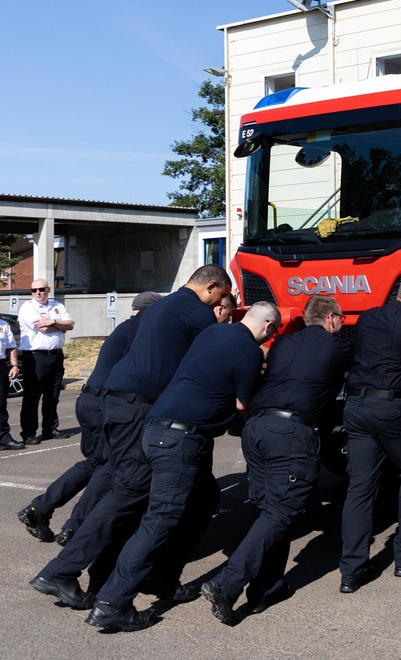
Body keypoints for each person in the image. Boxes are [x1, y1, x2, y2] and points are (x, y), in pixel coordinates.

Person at [30, 265, 231, 612]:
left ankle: (157, 576)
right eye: (223, 296)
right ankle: (63, 571)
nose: (222, 303)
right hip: (136, 407)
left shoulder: (164, 307)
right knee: (128, 492)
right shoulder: (193, 309)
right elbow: (218, 346)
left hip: (121, 402)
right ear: (211, 287)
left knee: (198, 495)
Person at [84, 301, 278, 632]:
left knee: (204, 499)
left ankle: (162, 577)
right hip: (180, 440)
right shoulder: (249, 353)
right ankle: (111, 602)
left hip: (160, 427)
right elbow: (242, 405)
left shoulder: (215, 331)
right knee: (159, 519)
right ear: (268, 327)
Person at [201, 295, 352, 625]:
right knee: (282, 512)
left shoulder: (282, 344)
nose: (341, 324)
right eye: (340, 318)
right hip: (290, 434)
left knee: (272, 512)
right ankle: (226, 584)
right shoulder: (337, 345)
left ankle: (266, 588)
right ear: (331, 319)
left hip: (256, 429)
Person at [17, 291, 162, 545]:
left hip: (92, 400)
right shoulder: (138, 331)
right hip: (102, 402)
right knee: (105, 464)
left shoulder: (127, 328)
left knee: (97, 462)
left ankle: (45, 512)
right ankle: (69, 522)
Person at [339, 273, 401, 593]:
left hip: (356, 406)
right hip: (391, 409)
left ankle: (351, 571)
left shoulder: (367, 318)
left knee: (360, 487)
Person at [17, 279, 74, 444]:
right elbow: (42, 328)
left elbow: (71, 324)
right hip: (36, 357)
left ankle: (50, 429)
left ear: (48, 290)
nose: (38, 293)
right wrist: (60, 325)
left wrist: (54, 321)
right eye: (34, 290)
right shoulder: (28, 307)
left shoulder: (57, 306)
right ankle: (28, 433)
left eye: (41, 289)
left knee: (53, 395)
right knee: (32, 397)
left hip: (55, 355)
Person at [0, 317, 22, 450]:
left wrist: (14, 365)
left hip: (0, 366)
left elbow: (11, 347)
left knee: (1, 405)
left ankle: (3, 438)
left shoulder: (3, 325)